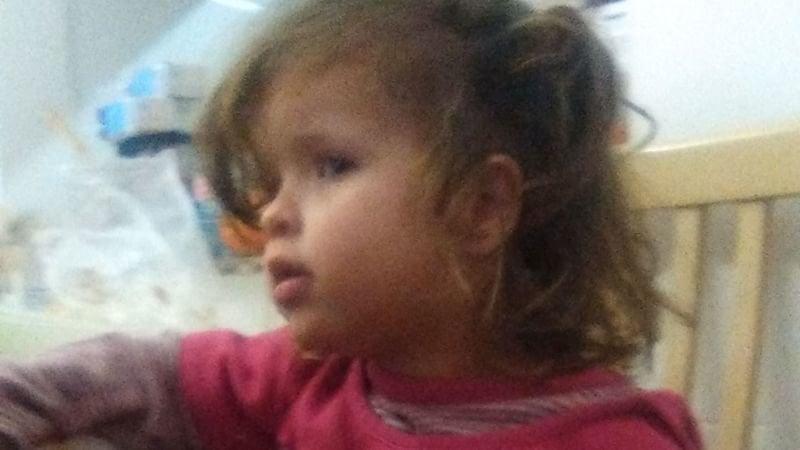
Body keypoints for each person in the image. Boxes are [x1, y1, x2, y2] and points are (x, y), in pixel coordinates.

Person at [0, 1, 702, 448]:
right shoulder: (312, 374)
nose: (272, 212)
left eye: (330, 165)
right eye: (272, 180)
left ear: (482, 207)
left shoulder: (611, 437)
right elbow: (144, 373)